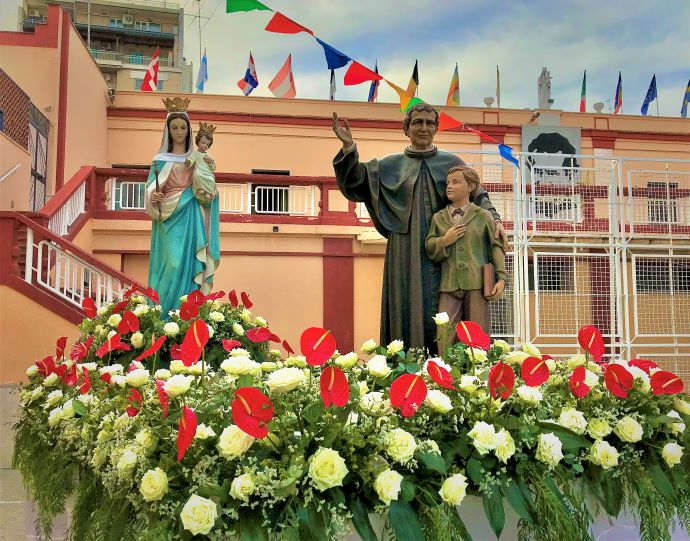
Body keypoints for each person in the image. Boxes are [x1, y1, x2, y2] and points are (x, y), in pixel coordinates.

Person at [332, 103, 508, 352]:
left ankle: (450, 368)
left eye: (429, 122)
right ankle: (406, 365)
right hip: (405, 248)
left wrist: (496, 220)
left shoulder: (452, 162)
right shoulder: (389, 165)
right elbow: (356, 183)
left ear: (436, 128)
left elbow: (478, 195)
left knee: (449, 309)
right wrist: (349, 148)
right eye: (417, 122)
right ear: (407, 128)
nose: (423, 127)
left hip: (448, 249)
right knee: (406, 304)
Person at [145, 97, 220, 317]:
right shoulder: (159, 159)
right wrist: (154, 195)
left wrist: (209, 191)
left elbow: (208, 184)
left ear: (189, 130)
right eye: (174, 127)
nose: (179, 131)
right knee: (170, 266)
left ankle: (185, 315)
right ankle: (162, 316)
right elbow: (151, 186)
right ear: (168, 130)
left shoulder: (196, 157)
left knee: (188, 268)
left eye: (183, 127)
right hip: (167, 219)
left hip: (190, 216)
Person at [425, 165, 506, 338]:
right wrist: (444, 241)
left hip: (477, 284)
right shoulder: (439, 217)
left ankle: (477, 366)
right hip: (448, 285)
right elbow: (430, 245)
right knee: (445, 336)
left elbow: (495, 247)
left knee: (477, 337)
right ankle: (445, 366)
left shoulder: (483, 216)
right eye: (447, 183)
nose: (449, 186)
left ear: (470, 187)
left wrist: (502, 278)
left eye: (456, 182)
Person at [186, 122, 218, 206]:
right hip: (199, 171)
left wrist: (211, 161)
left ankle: (208, 193)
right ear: (198, 141)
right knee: (197, 175)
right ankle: (200, 190)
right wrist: (188, 163)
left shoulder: (208, 155)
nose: (205, 146)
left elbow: (213, 168)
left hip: (207, 173)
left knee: (211, 179)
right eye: (203, 143)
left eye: (207, 144)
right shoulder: (195, 153)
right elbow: (191, 160)